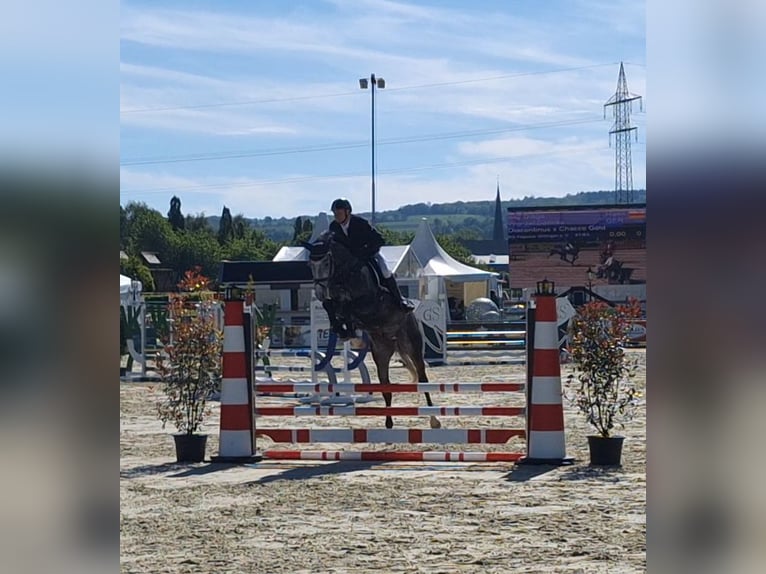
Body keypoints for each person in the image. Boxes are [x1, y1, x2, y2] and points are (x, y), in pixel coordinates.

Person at [323, 198, 413, 337]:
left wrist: (364, 252)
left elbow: (379, 240)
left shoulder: (360, 223)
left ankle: (399, 300)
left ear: (347, 212)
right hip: (348, 262)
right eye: (335, 213)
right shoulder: (333, 227)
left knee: (385, 270)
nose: (336, 216)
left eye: (339, 213)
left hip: (369, 254)